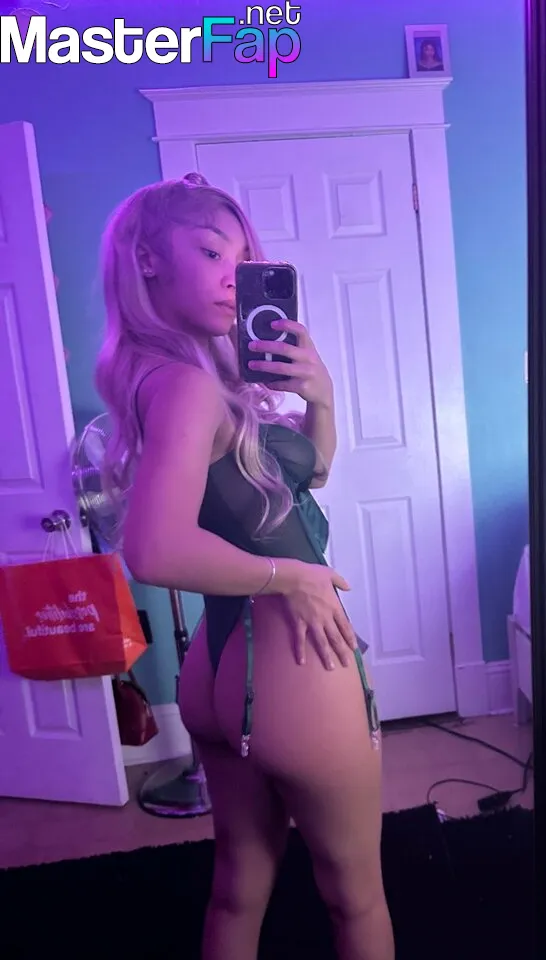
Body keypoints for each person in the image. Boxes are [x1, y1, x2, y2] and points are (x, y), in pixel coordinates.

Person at [94, 172, 395, 960]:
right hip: (294, 660)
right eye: (208, 252)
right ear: (147, 259)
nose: (233, 276)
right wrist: (294, 577)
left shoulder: (164, 376)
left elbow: (307, 477)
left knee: (236, 889)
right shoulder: (190, 388)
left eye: (242, 259)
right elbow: (152, 550)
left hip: (219, 665)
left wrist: (320, 397)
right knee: (358, 898)